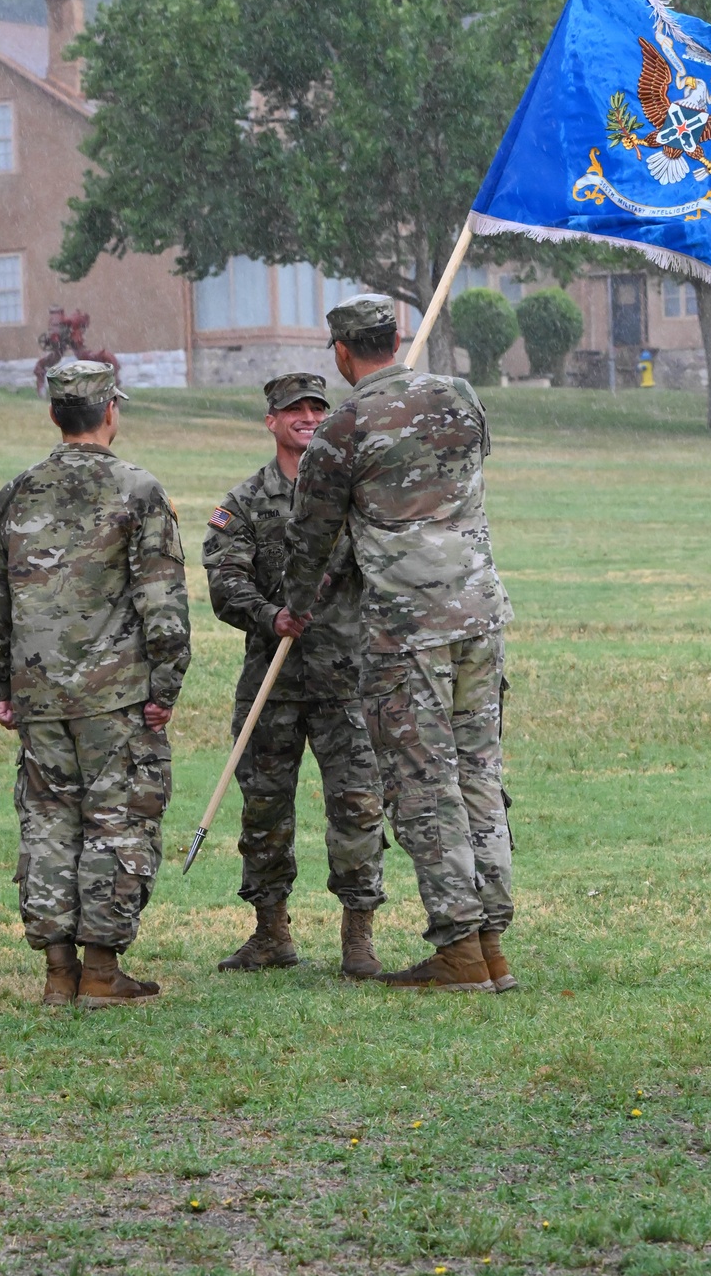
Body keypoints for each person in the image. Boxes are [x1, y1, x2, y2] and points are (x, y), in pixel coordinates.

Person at [282, 296, 517, 993]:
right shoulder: (460, 396)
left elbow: (311, 534)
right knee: (478, 772)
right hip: (479, 613)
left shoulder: (344, 428)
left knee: (424, 782)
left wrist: (297, 608)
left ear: (342, 353)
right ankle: (492, 936)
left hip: (405, 627)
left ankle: (459, 945)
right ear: (398, 337)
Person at [0, 360, 191, 1008]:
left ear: (54, 414)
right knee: (119, 820)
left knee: (48, 825)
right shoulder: (138, 490)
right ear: (111, 410)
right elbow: (163, 606)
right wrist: (165, 685)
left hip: (39, 698)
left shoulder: (15, 493)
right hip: (115, 697)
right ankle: (100, 968)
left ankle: (57, 972)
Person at [202, 372, 386, 978]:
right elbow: (224, 582)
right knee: (264, 811)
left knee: (357, 807)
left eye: (316, 409)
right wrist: (269, 616)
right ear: (272, 422)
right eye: (293, 411)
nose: (306, 418)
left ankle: (358, 937)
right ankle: (270, 933)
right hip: (271, 687)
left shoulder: (354, 498)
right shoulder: (246, 501)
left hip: (345, 682)